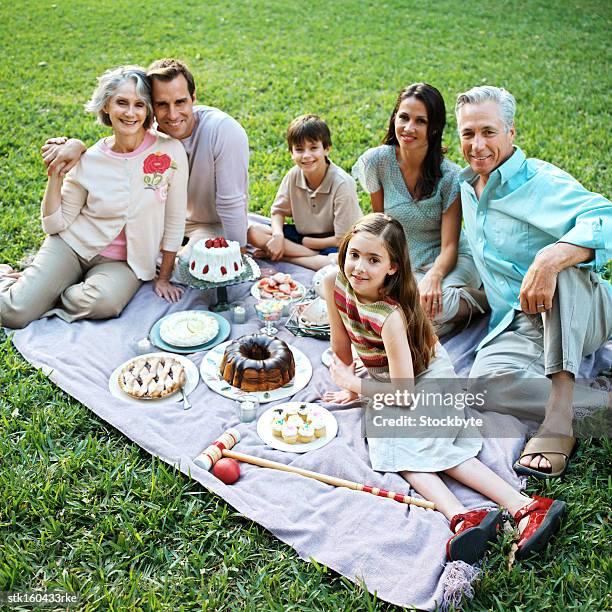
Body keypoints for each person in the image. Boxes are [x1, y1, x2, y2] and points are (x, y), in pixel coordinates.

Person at [321, 213, 565, 564]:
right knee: (394, 449)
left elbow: (404, 393)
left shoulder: (390, 316)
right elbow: (340, 336)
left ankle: (527, 507)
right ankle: (462, 518)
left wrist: (354, 384)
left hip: (425, 381)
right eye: (354, 254)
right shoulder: (334, 281)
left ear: (392, 268)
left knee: (430, 446)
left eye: (373, 260)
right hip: (389, 381)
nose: (358, 267)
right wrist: (348, 382)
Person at [455, 85, 612, 479]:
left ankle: (560, 418)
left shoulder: (539, 181)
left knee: (558, 265)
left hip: (580, 313)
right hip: (520, 322)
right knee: (484, 386)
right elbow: (476, 257)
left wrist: (551, 256)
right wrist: (453, 292)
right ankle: (600, 404)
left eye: (488, 132)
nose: (477, 145)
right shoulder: (466, 187)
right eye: (468, 134)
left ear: (511, 132)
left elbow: (606, 218)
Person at [0, 66, 188, 329]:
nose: (130, 113)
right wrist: (56, 173)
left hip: (124, 263)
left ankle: (44, 292)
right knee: (14, 314)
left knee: (104, 303)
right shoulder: (88, 158)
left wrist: (164, 277)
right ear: (106, 107)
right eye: (121, 103)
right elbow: (54, 225)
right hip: (71, 247)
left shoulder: (171, 152)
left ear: (148, 111)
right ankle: (12, 283)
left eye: (139, 105)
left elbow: (176, 218)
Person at [41, 58, 249, 256]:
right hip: (158, 223)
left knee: (189, 267)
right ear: (151, 106)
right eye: (162, 104)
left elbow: (230, 203)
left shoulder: (223, 131)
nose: (173, 114)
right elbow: (115, 151)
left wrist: (239, 254)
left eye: (180, 102)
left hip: (208, 225)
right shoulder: (152, 130)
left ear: (193, 98)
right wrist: (77, 146)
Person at [352, 84, 487, 335]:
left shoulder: (450, 177)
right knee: (345, 288)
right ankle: (434, 321)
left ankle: (481, 301)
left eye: (420, 121)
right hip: (404, 261)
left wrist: (434, 277)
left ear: (434, 127)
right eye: (403, 117)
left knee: (431, 306)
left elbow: (450, 246)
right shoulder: (376, 162)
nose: (409, 128)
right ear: (394, 118)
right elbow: (381, 228)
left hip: (448, 262)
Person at [247, 114, 362, 270]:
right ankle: (309, 257)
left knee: (335, 264)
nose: (306, 155)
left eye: (313, 148)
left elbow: (344, 238)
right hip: (302, 235)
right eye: (299, 149)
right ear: (291, 153)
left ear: (327, 149)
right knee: (253, 232)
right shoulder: (293, 175)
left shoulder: (342, 183)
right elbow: (278, 212)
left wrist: (307, 242)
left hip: (333, 242)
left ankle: (288, 257)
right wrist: (278, 236)